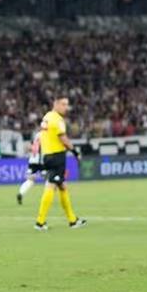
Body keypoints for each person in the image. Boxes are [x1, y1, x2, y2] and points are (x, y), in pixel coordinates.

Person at [34, 97, 86, 231]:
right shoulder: (57, 120)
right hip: (56, 156)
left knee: (62, 186)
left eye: (67, 105)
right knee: (51, 185)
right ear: (55, 104)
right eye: (63, 104)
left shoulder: (47, 116)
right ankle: (40, 222)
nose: (65, 107)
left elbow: (43, 136)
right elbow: (63, 139)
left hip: (47, 155)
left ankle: (72, 220)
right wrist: (75, 152)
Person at [16, 131, 45, 205]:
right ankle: (47, 197)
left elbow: (30, 147)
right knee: (50, 179)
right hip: (42, 160)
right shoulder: (47, 135)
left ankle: (21, 193)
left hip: (33, 159)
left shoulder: (37, 135)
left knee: (30, 180)